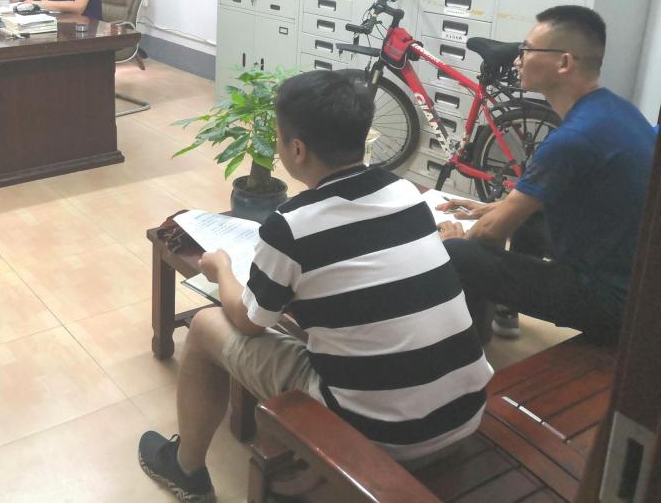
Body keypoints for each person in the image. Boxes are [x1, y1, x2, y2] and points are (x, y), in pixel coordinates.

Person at [138, 69, 492, 503]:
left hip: (383, 438)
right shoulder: (405, 193)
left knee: (206, 325)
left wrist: (221, 270)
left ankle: (186, 469)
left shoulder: (292, 225)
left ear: (297, 149)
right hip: (466, 412)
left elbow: (249, 323)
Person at [438, 6, 656, 344]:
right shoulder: (616, 109)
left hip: (614, 302)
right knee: (527, 215)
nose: (517, 61)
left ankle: (470, 348)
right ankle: (506, 312)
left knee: (459, 254)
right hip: (636, 280)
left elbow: (491, 232)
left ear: (564, 62)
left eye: (526, 50)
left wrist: (452, 240)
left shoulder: (574, 138)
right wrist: (499, 207)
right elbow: (545, 196)